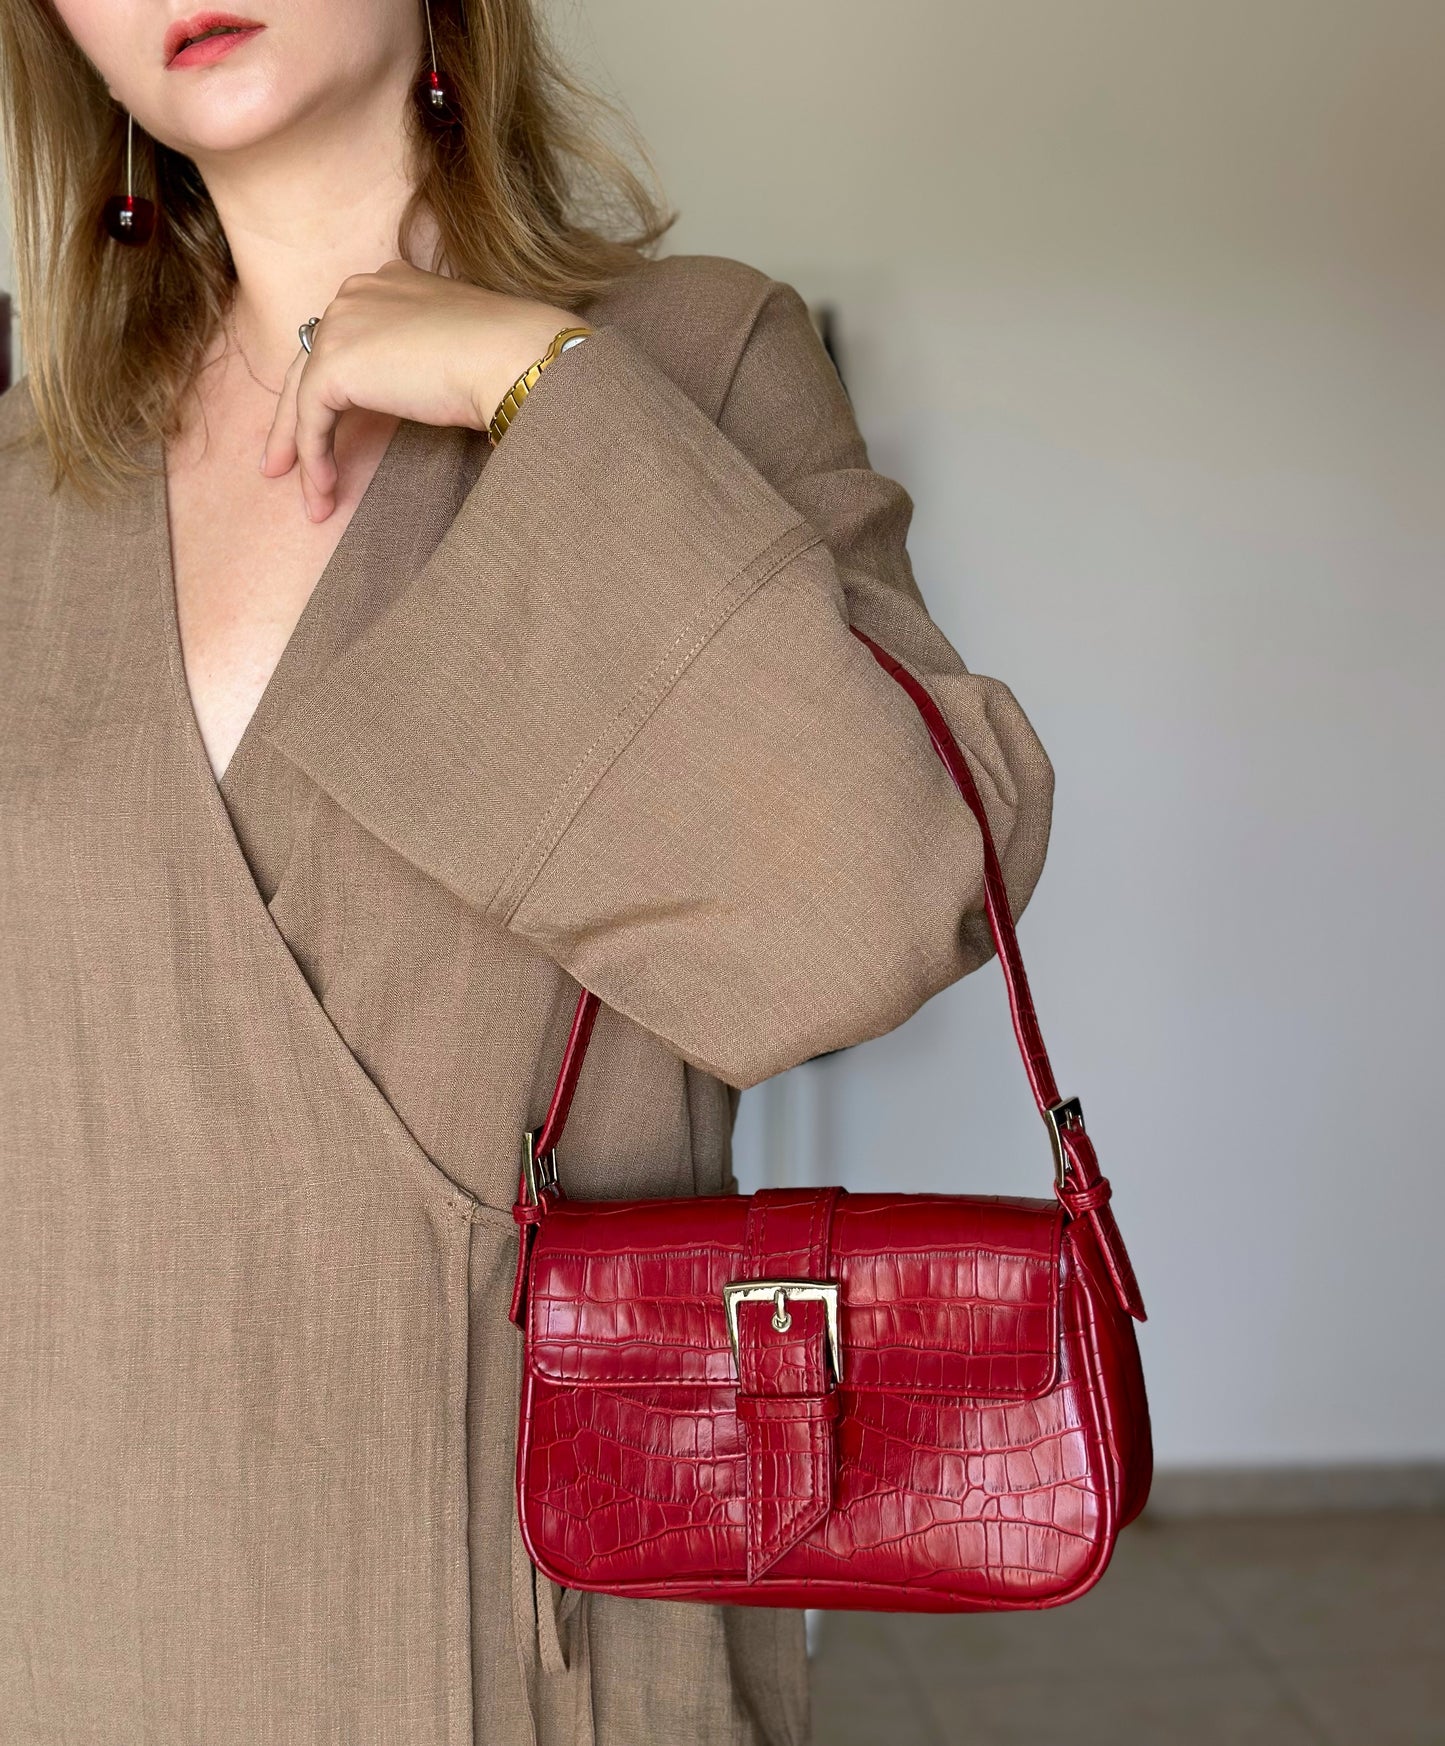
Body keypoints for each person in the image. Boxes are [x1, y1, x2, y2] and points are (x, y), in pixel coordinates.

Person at [0, 0, 1056, 1740]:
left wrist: (530, 385)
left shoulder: (690, 360)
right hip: (78, 1595)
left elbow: (882, 898)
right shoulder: (41, 488)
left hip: (519, 1598)